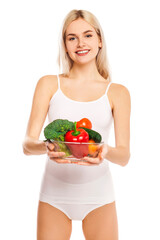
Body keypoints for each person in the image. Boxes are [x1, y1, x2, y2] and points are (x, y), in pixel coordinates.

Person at [23, 9, 131, 240]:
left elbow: (124, 157)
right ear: (65, 44)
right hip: (54, 195)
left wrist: (104, 150)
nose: (80, 43)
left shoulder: (118, 92)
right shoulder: (49, 84)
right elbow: (27, 144)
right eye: (72, 37)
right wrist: (47, 147)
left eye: (88, 35)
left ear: (100, 40)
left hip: (99, 196)